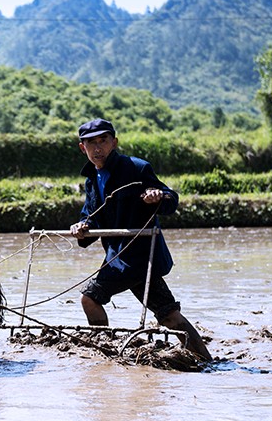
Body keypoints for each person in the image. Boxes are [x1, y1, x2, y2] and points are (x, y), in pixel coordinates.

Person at [69, 118, 212, 360]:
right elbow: (91, 216)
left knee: (166, 316)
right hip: (117, 258)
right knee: (165, 314)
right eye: (91, 143)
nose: (97, 148)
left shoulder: (136, 168)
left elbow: (171, 199)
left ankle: (205, 360)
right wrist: (82, 226)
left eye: (103, 141)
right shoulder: (91, 180)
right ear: (82, 148)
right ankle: (107, 353)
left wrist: (158, 196)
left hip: (141, 257)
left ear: (114, 142)